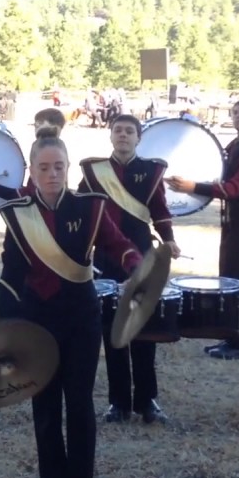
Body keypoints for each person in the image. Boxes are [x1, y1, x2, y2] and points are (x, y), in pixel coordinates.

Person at [0, 135, 142, 478]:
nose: (52, 174)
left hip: (81, 319)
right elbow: (11, 276)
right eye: (44, 167)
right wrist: (4, 333)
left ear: (68, 169)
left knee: (79, 405)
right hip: (37, 323)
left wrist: (136, 265)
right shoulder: (19, 214)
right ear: (32, 171)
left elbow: (118, 243)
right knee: (44, 408)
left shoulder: (89, 208)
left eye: (59, 167)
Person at [78, 115, 181, 424]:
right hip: (107, 257)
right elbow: (82, 210)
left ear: (138, 138)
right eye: (118, 131)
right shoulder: (94, 173)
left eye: (129, 131)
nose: (123, 136)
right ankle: (118, 403)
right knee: (113, 329)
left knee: (143, 328)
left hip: (142, 256)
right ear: (110, 136)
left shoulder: (151, 172)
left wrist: (170, 240)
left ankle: (147, 401)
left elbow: (160, 211)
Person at [166, 98, 239, 360]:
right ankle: (232, 338)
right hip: (234, 223)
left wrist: (193, 187)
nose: (238, 117)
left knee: (238, 283)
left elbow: (234, 189)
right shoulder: (235, 146)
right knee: (229, 279)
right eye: (235, 113)